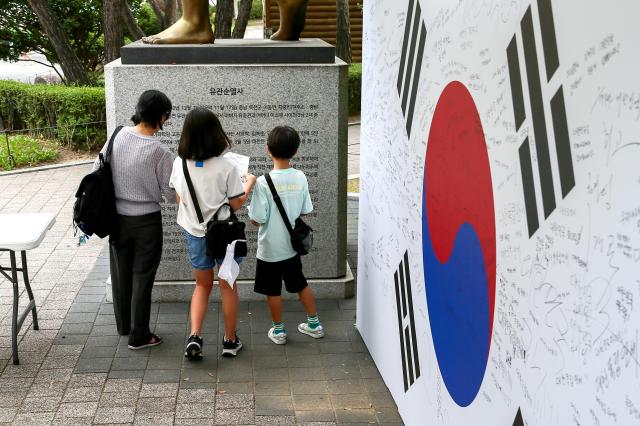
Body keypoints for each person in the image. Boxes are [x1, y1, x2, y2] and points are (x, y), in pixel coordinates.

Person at [169, 107, 256, 358]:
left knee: (202, 285)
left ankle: (194, 336)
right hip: (224, 236)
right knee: (227, 285)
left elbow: (178, 198)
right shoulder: (226, 166)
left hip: (195, 233)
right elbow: (236, 203)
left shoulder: (179, 164)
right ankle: (229, 341)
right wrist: (248, 184)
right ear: (215, 133)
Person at [93, 89, 175, 350]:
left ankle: (124, 326)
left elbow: (96, 170)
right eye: (167, 116)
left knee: (121, 273)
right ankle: (139, 336)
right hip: (147, 223)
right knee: (142, 277)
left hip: (116, 219)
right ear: (161, 117)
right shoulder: (160, 151)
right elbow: (171, 194)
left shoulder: (116, 135)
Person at [248, 125, 324, 345]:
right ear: (296, 151)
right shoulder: (300, 176)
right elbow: (305, 209)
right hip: (292, 248)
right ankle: (314, 325)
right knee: (301, 285)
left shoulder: (263, 182)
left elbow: (257, 219)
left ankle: (279, 331)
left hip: (270, 249)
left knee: (273, 291)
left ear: (268, 150)